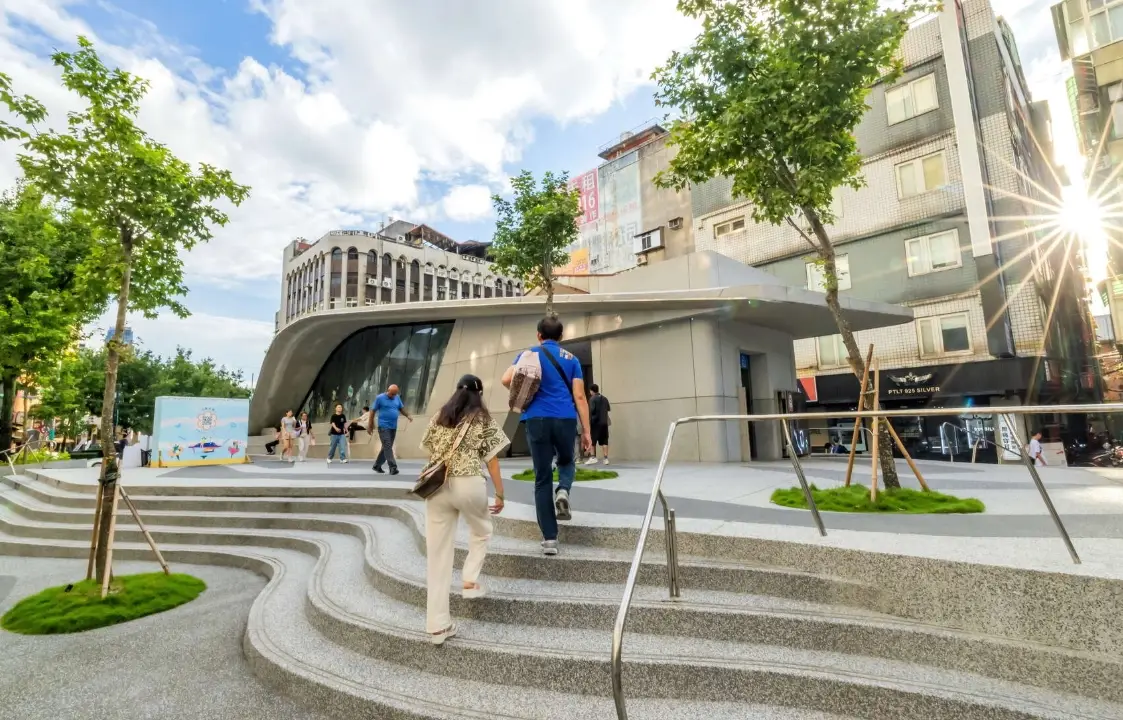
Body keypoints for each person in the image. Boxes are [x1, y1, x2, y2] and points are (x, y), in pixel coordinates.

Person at [420, 374, 508, 646]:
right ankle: (469, 580)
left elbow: (427, 447)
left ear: (456, 390)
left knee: (438, 557)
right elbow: (492, 461)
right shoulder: (483, 419)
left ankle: (437, 626)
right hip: (468, 482)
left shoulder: (440, 415)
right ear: (479, 393)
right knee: (481, 530)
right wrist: (500, 494)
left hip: (437, 488)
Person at [501, 315, 592, 556]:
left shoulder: (528, 354)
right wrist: (587, 432)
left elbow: (506, 379)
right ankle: (563, 490)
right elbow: (580, 397)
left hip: (537, 418)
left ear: (538, 335)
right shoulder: (572, 359)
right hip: (566, 417)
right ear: (561, 337)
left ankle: (550, 539)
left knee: (542, 478)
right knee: (566, 460)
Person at [372, 384, 412, 475]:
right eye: (392, 394)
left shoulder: (397, 397)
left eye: (395, 394)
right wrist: (370, 424)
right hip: (383, 426)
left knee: (386, 447)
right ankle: (393, 467)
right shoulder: (380, 398)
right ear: (388, 391)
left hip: (393, 427)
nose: (393, 396)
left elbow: (401, 408)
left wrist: (408, 415)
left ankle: (377, 465)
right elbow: (372, 411)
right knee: (388, 446)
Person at [584, 384, 611, 466]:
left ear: (592, 390)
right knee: (604, 441)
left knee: (593, 440)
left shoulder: (592, 399)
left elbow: (591, 410)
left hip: (595, 423)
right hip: (604, 423)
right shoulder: (605, 399)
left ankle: (593, 457)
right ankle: (606, 459)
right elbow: (608, 409)